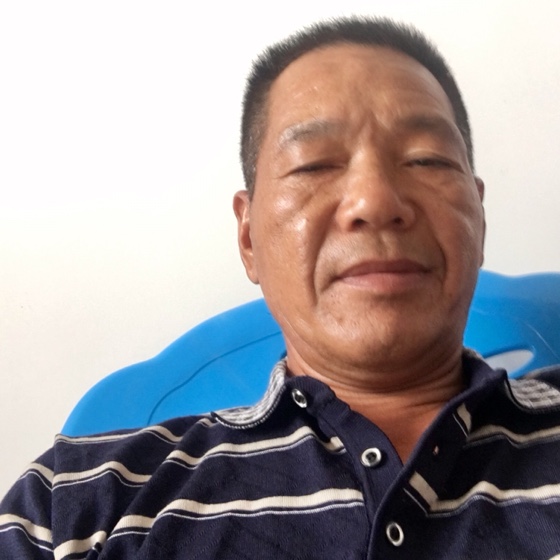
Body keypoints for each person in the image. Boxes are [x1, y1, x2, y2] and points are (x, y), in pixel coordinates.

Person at [2, 16, 560, 560]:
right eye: (314, 165)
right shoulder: (73, 503)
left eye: (425, 159)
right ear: (248, 238)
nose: (375, 202)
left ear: (479, 218)